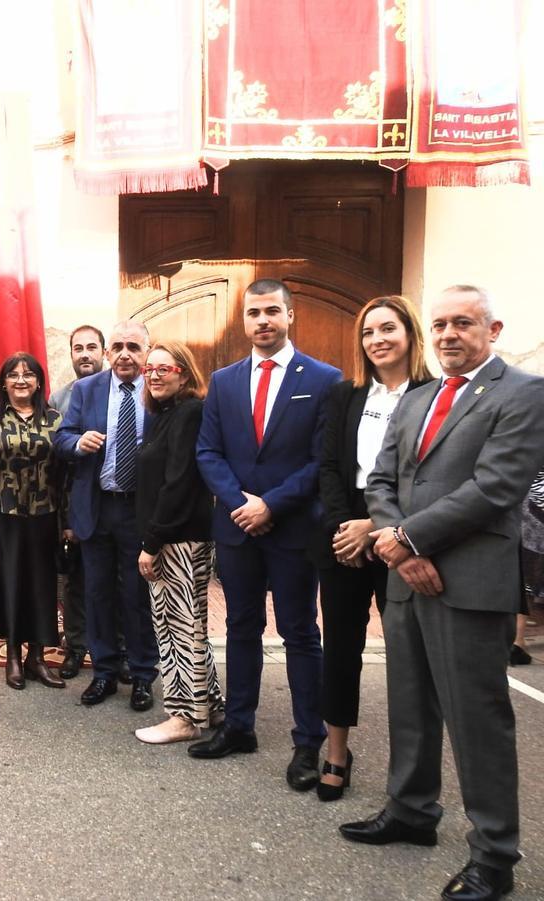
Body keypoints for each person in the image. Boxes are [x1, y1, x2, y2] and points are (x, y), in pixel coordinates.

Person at [340, 286, 544, 901]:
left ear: (493, 327)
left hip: (469, 582)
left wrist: (406, 538)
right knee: (409, 704)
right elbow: (380, 480)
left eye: (463, 322)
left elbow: (495, 487)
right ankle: (410, 810)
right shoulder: (419, 397)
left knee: (478, 719)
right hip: (408, 578)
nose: (450, 334)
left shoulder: (523, 393)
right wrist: (401, 546)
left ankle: (494, 854)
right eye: (441, 324)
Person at [191, 279, 340, 793]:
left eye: (272, 311)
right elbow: (208, 453)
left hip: (293, 529)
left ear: (290, 316)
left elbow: (323, 460)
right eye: (254, 313)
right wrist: (240, 504)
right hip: (238, 530)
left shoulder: (324, 380)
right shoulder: (225, 381)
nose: (263, 321)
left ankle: (308, 741)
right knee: (240, 627)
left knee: (300, 633)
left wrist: (270, 504)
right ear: (244, 320)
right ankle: (239, 727)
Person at [310, 297, 432, 800]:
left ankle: (410, 774)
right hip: (344, 534)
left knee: (408, 656)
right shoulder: (346, 395)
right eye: (368, 332)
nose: (377, 340)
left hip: (405, 530)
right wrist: (346, 527)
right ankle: (336, 752)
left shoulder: (433, 393)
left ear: (409, 333)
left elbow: (428, 477)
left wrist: (374, 526)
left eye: (388, 329)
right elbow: (330, 467)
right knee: (340, 647)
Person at [54, 320, 160, 711]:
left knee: (136, 594)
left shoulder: (157, 388)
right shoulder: (86, 390)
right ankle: (103, 673)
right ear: (108, 352)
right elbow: (61, 438)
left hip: (139, 509)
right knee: (97, 592)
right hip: (97, 506)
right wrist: (78, 442)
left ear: (147, 351)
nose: (125, 354)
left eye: (134, 346)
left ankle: (142, 673)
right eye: (118, 346)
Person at [132, 341, 223, 744]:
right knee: (185, 628)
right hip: (172, 538)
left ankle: (185, 717)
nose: (153, 375)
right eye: (148, 369)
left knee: (178, 631)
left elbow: (178, 484)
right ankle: (212, 706)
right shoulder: (166, 415)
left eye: (163, 369)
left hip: (179, 541)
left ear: (183, 373)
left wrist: (152, 543)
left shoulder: (189, 412)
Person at [0, 352, 66, 690]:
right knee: (9, 583)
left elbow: (65, 475)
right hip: (0, 516)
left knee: (41, 586)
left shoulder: (55, 420)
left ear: (38, 382)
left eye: (28, 374)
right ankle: (12, 656)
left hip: (44, 517)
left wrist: (67, 520)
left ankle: (37, 657)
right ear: (3, 383)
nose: (21, 380)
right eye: (13, 374)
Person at [49, 325, 124, 681]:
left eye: (91, 347)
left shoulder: (122, 391)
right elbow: (55, 461)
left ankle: (117, 650)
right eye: (78, 348)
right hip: (74, 505)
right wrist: (64, 516)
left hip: (115, 505)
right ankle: (76, 645)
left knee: (117, 583)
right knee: (77, 582)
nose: (85, 354)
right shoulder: (58, 399)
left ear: (104, 351)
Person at [514, 469, 544, 665]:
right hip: (535, 512)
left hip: (526, 513)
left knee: (524, 579)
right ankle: (517, 641)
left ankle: (518, 641)